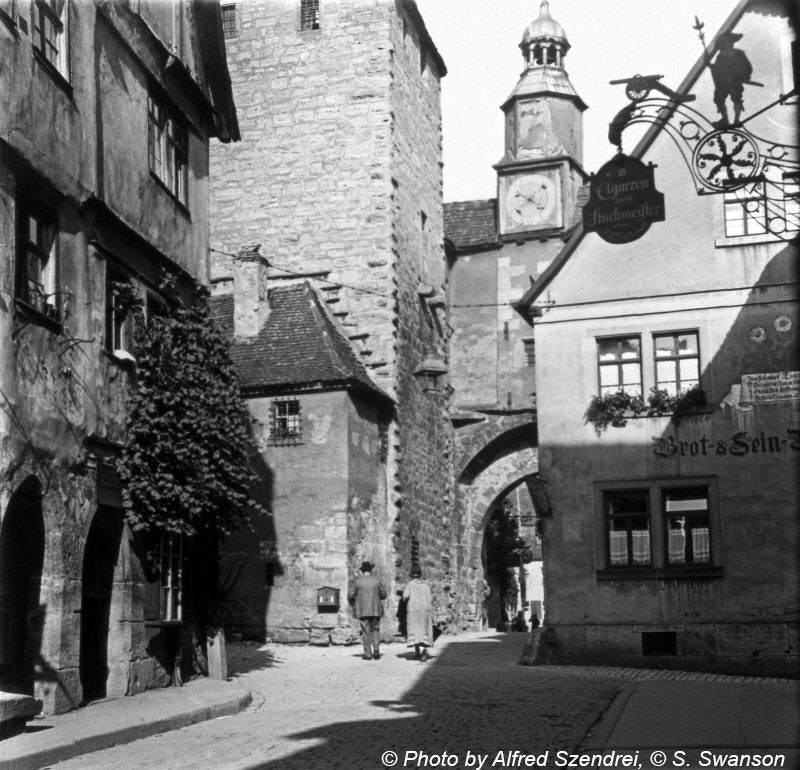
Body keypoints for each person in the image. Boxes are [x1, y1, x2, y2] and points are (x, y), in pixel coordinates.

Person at [707, 31, 753, 128]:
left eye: (728, 42)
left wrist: (743, 76)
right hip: (723, 82)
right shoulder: (719, 56)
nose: (727, 44)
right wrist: (710, 65)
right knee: (719, 98)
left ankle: (736, 120)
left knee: (736, 98)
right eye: (724, 42)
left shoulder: (738, 53)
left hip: (734, 80)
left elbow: (747, 67)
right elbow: (717, 69)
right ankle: (725, 119)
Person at [348, 561, 387, 661]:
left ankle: (368, 654)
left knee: (366, 631)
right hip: (376, 610)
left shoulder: (358, 582)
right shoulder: (377, 581)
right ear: (371, 570)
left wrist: (354, 601)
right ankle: (376, 650)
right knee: (375, 629)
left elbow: (350, 595)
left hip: (363, 610)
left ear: (362, 571)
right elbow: (384, 595)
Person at [402, 566, 434, 661]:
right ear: (420, 574)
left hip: (413, 610)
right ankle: (424, 649)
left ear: (411, 574)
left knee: (415, 630)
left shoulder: (410, 584)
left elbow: (405, 596)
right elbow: (430, 599)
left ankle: (417, 651)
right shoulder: (426, 586)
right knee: (424, 630)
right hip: (425, 610)